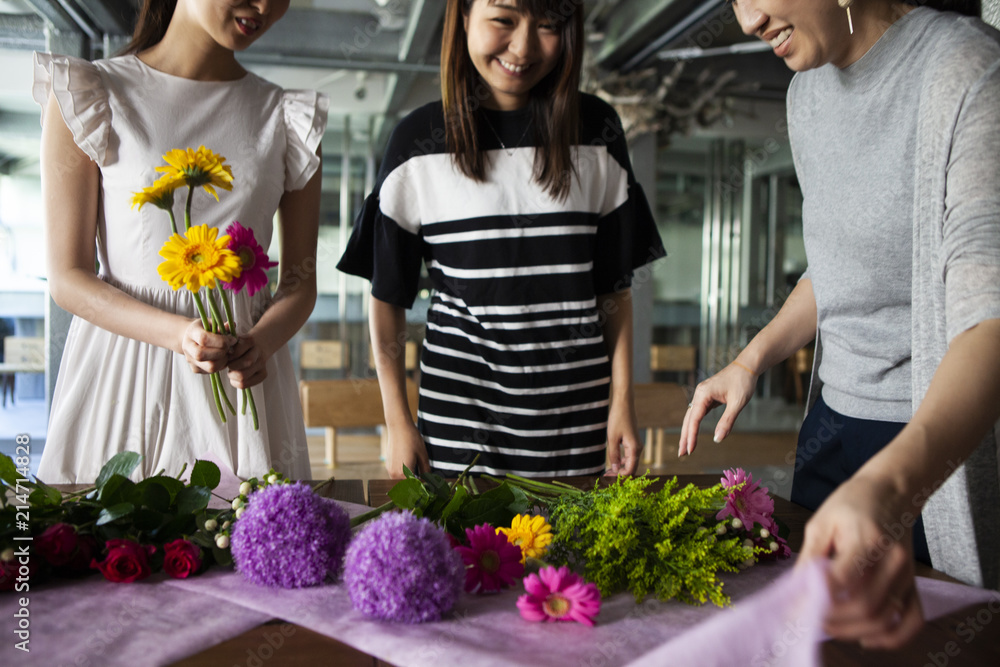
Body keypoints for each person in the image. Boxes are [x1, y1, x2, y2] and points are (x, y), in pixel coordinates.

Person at [680, 0, 1000, 649]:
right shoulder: (806, 96)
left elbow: (990, 312)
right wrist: (750, 361)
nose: (746, 22)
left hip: (929, 448)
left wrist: (891, 484)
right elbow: (838, 267)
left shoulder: (968, 70)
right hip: (831, 434)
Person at [338, 0, 665, 479]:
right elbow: (388, 298)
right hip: (457, 425)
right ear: (464, 16)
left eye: (549, 25)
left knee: (572, 554)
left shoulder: (598, 132)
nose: (524, 47)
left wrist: (623, 404)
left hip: (576, 425)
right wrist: (397, 420)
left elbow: (613, 290)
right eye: (504, 20)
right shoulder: (417, 141)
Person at [34, 0, 324, 483]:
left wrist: (263, 342)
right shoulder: (90, 93)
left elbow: (300, 281)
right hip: (123, 370)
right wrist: (179, 336)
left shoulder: (288, 117)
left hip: (240, 378)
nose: (265, 7)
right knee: (107, 544)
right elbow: (68, 277)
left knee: (247, 546)